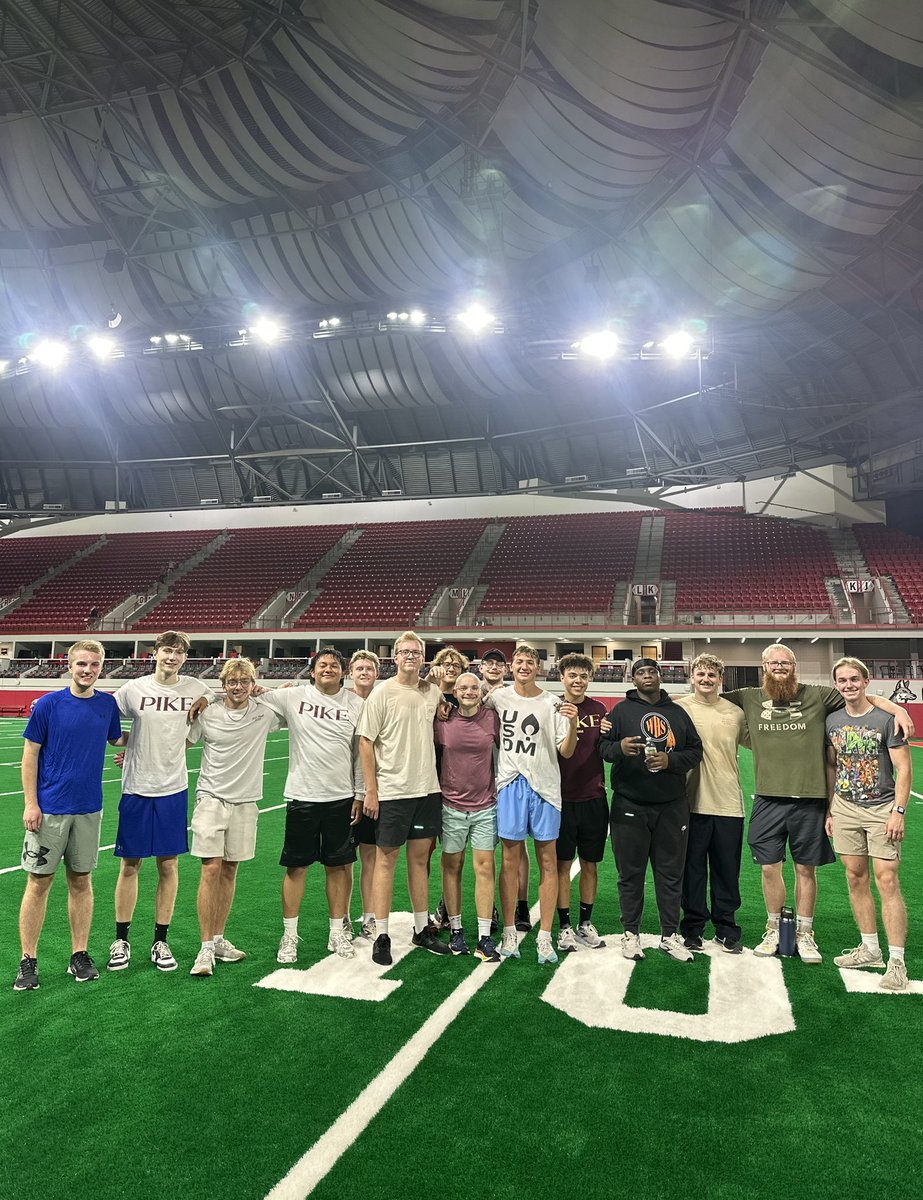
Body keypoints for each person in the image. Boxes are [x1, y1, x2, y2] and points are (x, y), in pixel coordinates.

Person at [723, 642, 911, 963]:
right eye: (773, 663)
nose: (779, 667)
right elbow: (706, 698)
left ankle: (805, 933)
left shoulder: (818, 695)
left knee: (805, 868)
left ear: (794, 667)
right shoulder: (748, 696)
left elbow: (860, 696)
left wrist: (899, 709)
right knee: (769, 867)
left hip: (810, 799)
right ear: (764, 666)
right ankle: (773, 928)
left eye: (785, 662)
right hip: (768, 798)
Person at [14, 640, 122, 990]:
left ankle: (79, 954)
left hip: (88, 809)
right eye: (81, 664)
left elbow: (118, 740)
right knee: (38, 883)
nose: (88, 670)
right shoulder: (48, 704)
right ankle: (28, 960)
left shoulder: (107, 704)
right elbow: (30, 755)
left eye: (94, 664)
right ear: (69, 666)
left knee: (81, 881)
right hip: (50, 810)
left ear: (101, 668)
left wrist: (154, 739)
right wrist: (31, 803)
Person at [109, 630, 210, 973]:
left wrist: (205, 700)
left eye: (178, 652)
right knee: (130, 864)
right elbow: (104, 718)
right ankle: (121, 939)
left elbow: (217, 697)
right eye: (167, 650)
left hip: (172, 787)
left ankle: (160, 941)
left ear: (185, 658)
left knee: (168, 865)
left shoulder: (196, 687)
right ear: (154, 653)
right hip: (137, 787)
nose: (172, 657)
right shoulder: (133, 689)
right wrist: (131, 744)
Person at [260, 648, 365, 963]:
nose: (328, 668)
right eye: (322, 665)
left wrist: (360, 793)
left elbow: (360, 753)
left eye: (334, 665)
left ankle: (337, 932)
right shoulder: (293, 696)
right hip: (303, 796)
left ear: (343, 672)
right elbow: (249, 691)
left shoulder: (356, 704)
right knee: (296, 867)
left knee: (338, 866)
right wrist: (206, 698)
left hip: (341, 797)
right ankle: (289, 936)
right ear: (313, 671)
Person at [598, 658, 704, 963]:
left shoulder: (678, 713)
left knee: (670, 874)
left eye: (652, 671)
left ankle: (669, 935)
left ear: (660, 677)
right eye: (641, 672)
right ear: (633, 680)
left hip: (672, 805)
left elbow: (695, 751)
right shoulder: (620, 712)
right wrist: (620, 749)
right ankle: (630, 934)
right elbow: (603, 748)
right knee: (630, 874)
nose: (647, 676)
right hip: (629, 804)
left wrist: (670, 761)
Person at [356, 631, 451, 966]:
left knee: (420, 861)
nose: (411, 656)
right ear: (394, 657)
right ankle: (381, 935)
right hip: (393, 791)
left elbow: (445, 704)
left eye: (416, 652)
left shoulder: (431, 691)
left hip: (426, 789)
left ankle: (422, 929)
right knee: (386, 861)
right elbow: (365, 742)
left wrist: (440, 688)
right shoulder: (382, 693)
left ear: (423, 658)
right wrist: (371, 790)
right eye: (405, 651)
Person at [185, 657, 281, 977]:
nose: (238, 687)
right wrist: (134, 754)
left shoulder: (265, 712)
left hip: (246, 801)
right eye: (232, 682)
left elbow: (295, 698)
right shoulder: (208, 712)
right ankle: (204, 947)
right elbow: (181, 743)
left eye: (244, 681)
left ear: (253, 683)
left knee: (229, 871)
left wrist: (267, 692)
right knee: (210, 868)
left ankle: (218, 938)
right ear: (223, 684)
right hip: (211, 798)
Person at [485, 643, 578, 965]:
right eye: (519, 661)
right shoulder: (498, 697)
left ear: (539, 668)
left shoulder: (553, 703)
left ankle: (545, 936)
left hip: (546, 789)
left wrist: (573, 724)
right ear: (511, 667)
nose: (524, 666)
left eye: (530, 662)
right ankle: (509, 931)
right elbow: (470, 708)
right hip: (510, 785)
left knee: (548, 862)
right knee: (509, 860)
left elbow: (566, 751)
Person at [825, 656, 911, 991]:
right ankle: (870, 949)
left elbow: (904, 768)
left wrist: (898, 811)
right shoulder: (832, 720)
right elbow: (832, 765)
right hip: (845, 808)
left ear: (865, 682)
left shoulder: (886, 719)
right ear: (836, 684)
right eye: (842, 680)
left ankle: (897, 961)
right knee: (855, 877)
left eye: (854, 679)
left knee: (887, 880)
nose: (848, 685)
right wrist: (831, 809)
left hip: (882, 809)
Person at [675, 654, 749, 953]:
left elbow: (761, 742)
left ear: (721, 679)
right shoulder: (679, 709)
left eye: (711, 675)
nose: (706, 679)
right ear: (692, 677)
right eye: (701, 674)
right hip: (690, 803)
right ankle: (693, 928)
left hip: (728, 802)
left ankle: (726, 927)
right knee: (691, 870)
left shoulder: (736, 712)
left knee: (726, 870)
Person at [434, 672, 502, 961]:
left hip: (486, 806)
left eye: (475, 687)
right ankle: (456, 930)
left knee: (485, 868)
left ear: (481, 691)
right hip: (451, 807)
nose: (469, 692)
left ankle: (485, 936)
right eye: (463, 688)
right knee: (453, 866)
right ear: (455, 692)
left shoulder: (492, 719)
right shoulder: (443, 720)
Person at [554, 653, 609, 953]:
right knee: (562, 865)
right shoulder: (553, 707)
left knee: (590, 864)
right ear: (562, 677)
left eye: (583, 676)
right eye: (572, 675)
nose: (578, 681)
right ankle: (564, 926)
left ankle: (585, 923)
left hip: (594, 798)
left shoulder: (599, 710)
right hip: (560, 799)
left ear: (590, 679)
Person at [480, 647, 531, 930]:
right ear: (480, 667)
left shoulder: (515, 695)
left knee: (517, 845)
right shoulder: (471, 691)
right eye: (488, 663)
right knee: (481, 849)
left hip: (510, 778)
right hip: (477, 780)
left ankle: (521, 906)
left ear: (506, 668)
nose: (493, 667)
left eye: (498, 664)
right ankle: (486, 908)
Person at [346, 650, 380, 941]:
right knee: (345, 860)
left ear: (377, 673)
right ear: (351, 673)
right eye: (359, 668)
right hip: (343, 791)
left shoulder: (382, 701)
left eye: (369, 668)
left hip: (373, 791)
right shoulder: (342, 703)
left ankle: (369, 918)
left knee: (370, 857)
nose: (364, 672)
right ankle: (343, 918)